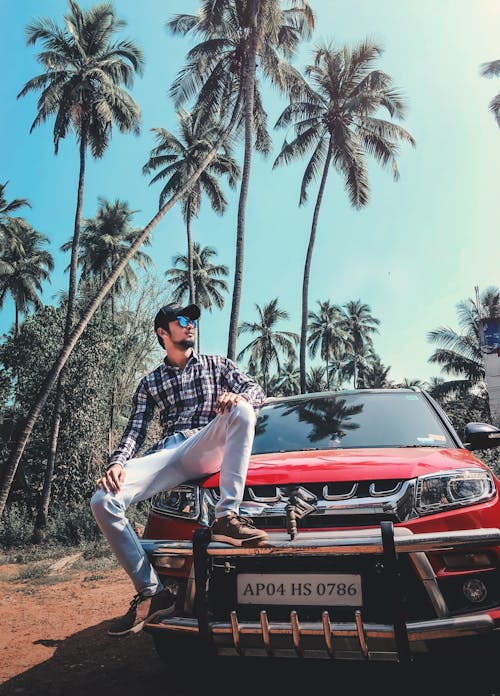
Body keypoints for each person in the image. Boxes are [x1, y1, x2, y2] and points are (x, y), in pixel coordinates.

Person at [90, 302, 268, 636]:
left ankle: (227, 517)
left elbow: (256, 389)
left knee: (243, 411)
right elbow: (135, 431)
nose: (191, 325)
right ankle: (152, 592)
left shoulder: (217, 365)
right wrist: (117, 463)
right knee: (102, 500)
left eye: (193, 321)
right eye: (183, 320)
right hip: (168, 454)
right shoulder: (149, 383)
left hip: (205, 443)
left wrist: (237, 397)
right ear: (163, 332)